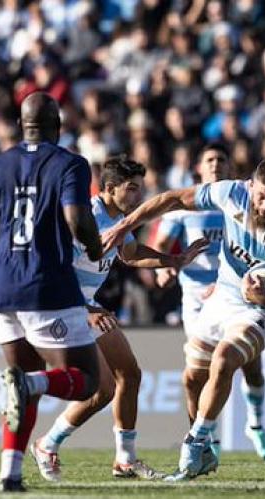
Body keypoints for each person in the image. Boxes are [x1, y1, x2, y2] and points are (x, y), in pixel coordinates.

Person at [102, 160, 265, 480]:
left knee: (225, 358)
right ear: (250, 186)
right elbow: (173, 199)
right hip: (222, 297)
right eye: (261, 196)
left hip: (263, 309)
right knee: (192, 379)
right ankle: (204, 453)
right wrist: (125, 225)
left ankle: (195, 441)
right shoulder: (231, 193)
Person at [0, 92, 106, 492]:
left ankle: (10, 472)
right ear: (58, 125)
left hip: (1, 288)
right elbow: (76, 217)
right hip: (46, 285)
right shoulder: (70, 163)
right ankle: (33, 386)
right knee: (88, 381)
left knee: (22, 381)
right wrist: (93, 246)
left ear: (22, 126)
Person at [29, 156, 208, 482]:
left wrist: (173, 259)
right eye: (133, 188)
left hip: (87, 305)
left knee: (130, 374)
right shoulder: (83, 217)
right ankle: (47, 443)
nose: (139, 196)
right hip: (64, 305)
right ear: (109, 188)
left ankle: (125, 460)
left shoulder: (120, 218)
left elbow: (130, 254)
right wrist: (84, 311)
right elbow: (55, 269)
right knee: (103, 388)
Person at [153, 143, 265, 460]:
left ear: (230, 169)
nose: (216, 164)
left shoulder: (236, 202)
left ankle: (256, 424)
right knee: (198, 372)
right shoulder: (184, 206)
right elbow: (163, 246)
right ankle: (204, 441)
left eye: (222, 159)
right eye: (209, 159)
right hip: (196, 295)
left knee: (249, 362)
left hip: (235, 291)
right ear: (198, 167)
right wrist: (166, 268)